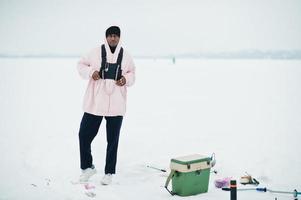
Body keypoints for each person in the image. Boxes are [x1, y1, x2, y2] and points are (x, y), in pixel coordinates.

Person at [76, 26, 135, 185]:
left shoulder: (126, 56)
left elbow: (132, 74)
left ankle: (109, 172)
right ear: (106, 37)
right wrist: (90, 72)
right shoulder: (94, 52)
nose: (113, 38)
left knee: (112, 140)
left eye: (116, 36)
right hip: (95, 103)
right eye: (110, 35)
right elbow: (80, 65)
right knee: (84, 135)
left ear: (119, 37)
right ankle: (87, 167)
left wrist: (125, 80)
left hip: (116, 104)